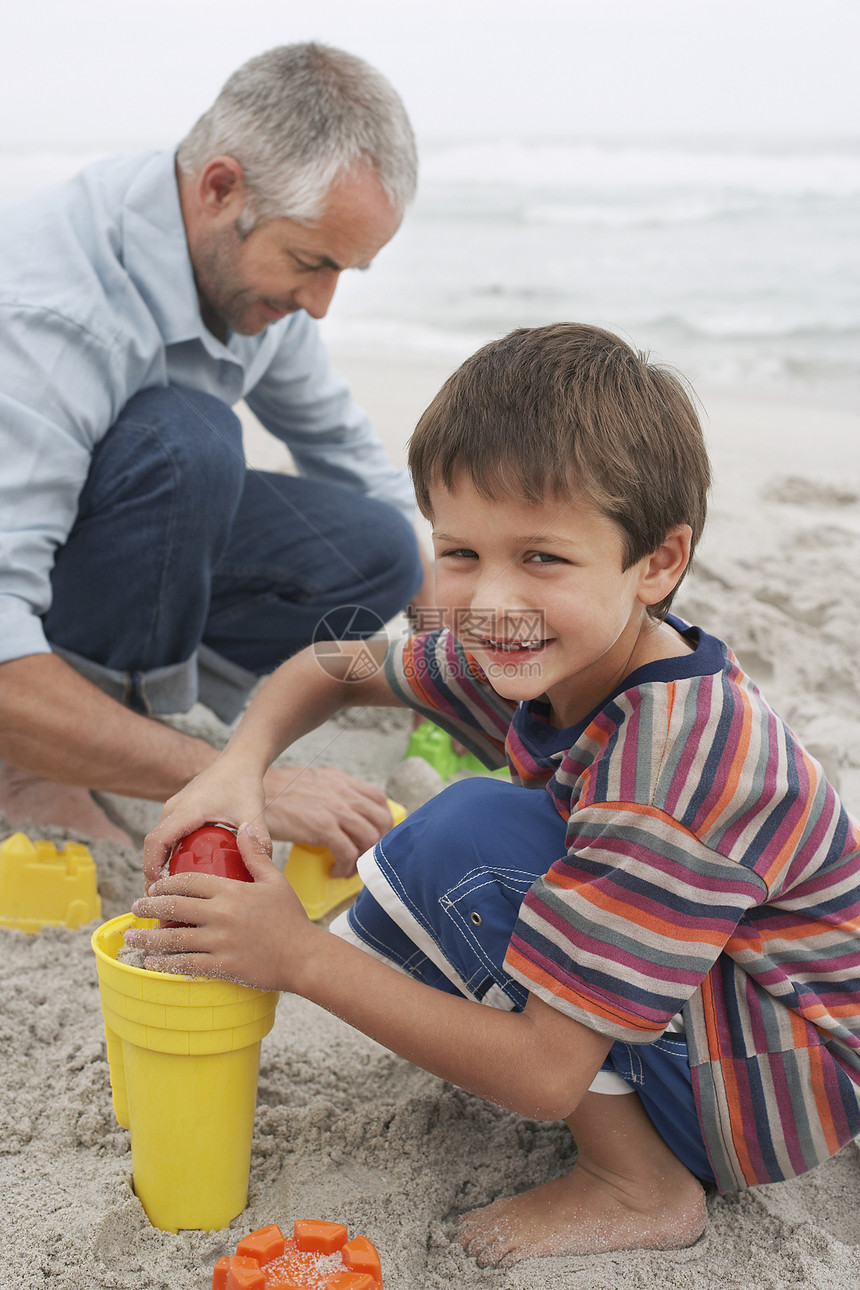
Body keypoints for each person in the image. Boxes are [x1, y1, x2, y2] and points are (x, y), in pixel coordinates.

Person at [131, 323, 860, 1266]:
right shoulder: (561, 646)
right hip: (731, 1015)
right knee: (475, 840)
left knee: (458, 839)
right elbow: (340, 665)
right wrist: (240, 764)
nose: (488, 602)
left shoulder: (671, 769)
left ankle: (639, 1183)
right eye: (461, 552)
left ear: (658, 562)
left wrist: (297, 957)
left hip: (778, 1082)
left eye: (543, 557)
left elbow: (543, 1078)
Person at [0, 42, 430, 854]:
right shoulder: (50, 318)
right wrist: (241, 778)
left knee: (381, 548)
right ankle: (31, 765)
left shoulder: (252, 281)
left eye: (345, 270)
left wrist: (458, 649)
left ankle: (124, 718)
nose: (321, 303)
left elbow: (353, 460)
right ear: (220, 188)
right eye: (311, 262)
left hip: (87, 539)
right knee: (186, 444)